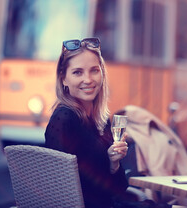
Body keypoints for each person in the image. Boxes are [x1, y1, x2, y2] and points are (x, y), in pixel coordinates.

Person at [44, 38, 130, 208]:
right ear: (63, 79)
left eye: (94, 71)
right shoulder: (64, 119)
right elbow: (58, 190)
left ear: (102, 74)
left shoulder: (101, 119)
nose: (88, 79)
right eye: (77, 72)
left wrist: (113, 163)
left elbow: (120, 188)